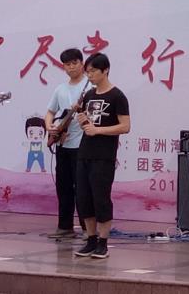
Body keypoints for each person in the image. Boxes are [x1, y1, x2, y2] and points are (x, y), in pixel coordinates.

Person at [73, 52, 130, 259]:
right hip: (84, 152)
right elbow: (88, 124)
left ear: (105, 70)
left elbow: (125, 126)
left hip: (104, 156)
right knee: (83, 198)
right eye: (87, 72)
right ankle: (91, 239)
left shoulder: (117, 96)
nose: (89, 76)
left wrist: (98, 130)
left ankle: (103, 242)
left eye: (93, 71)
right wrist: (82, 120)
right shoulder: (89, 95)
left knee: (101, 198)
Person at [44, 48, 88, 238]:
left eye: (74, 63)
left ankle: (88, 229)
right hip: (62, 145)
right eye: (67, 64)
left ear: (82, 63)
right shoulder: (60, 89)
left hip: (83, 145)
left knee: (83, 188)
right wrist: (50, 127)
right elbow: (50, 112)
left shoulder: (89, 86)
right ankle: (65, 226)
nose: (71, 67)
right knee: (63, 187)